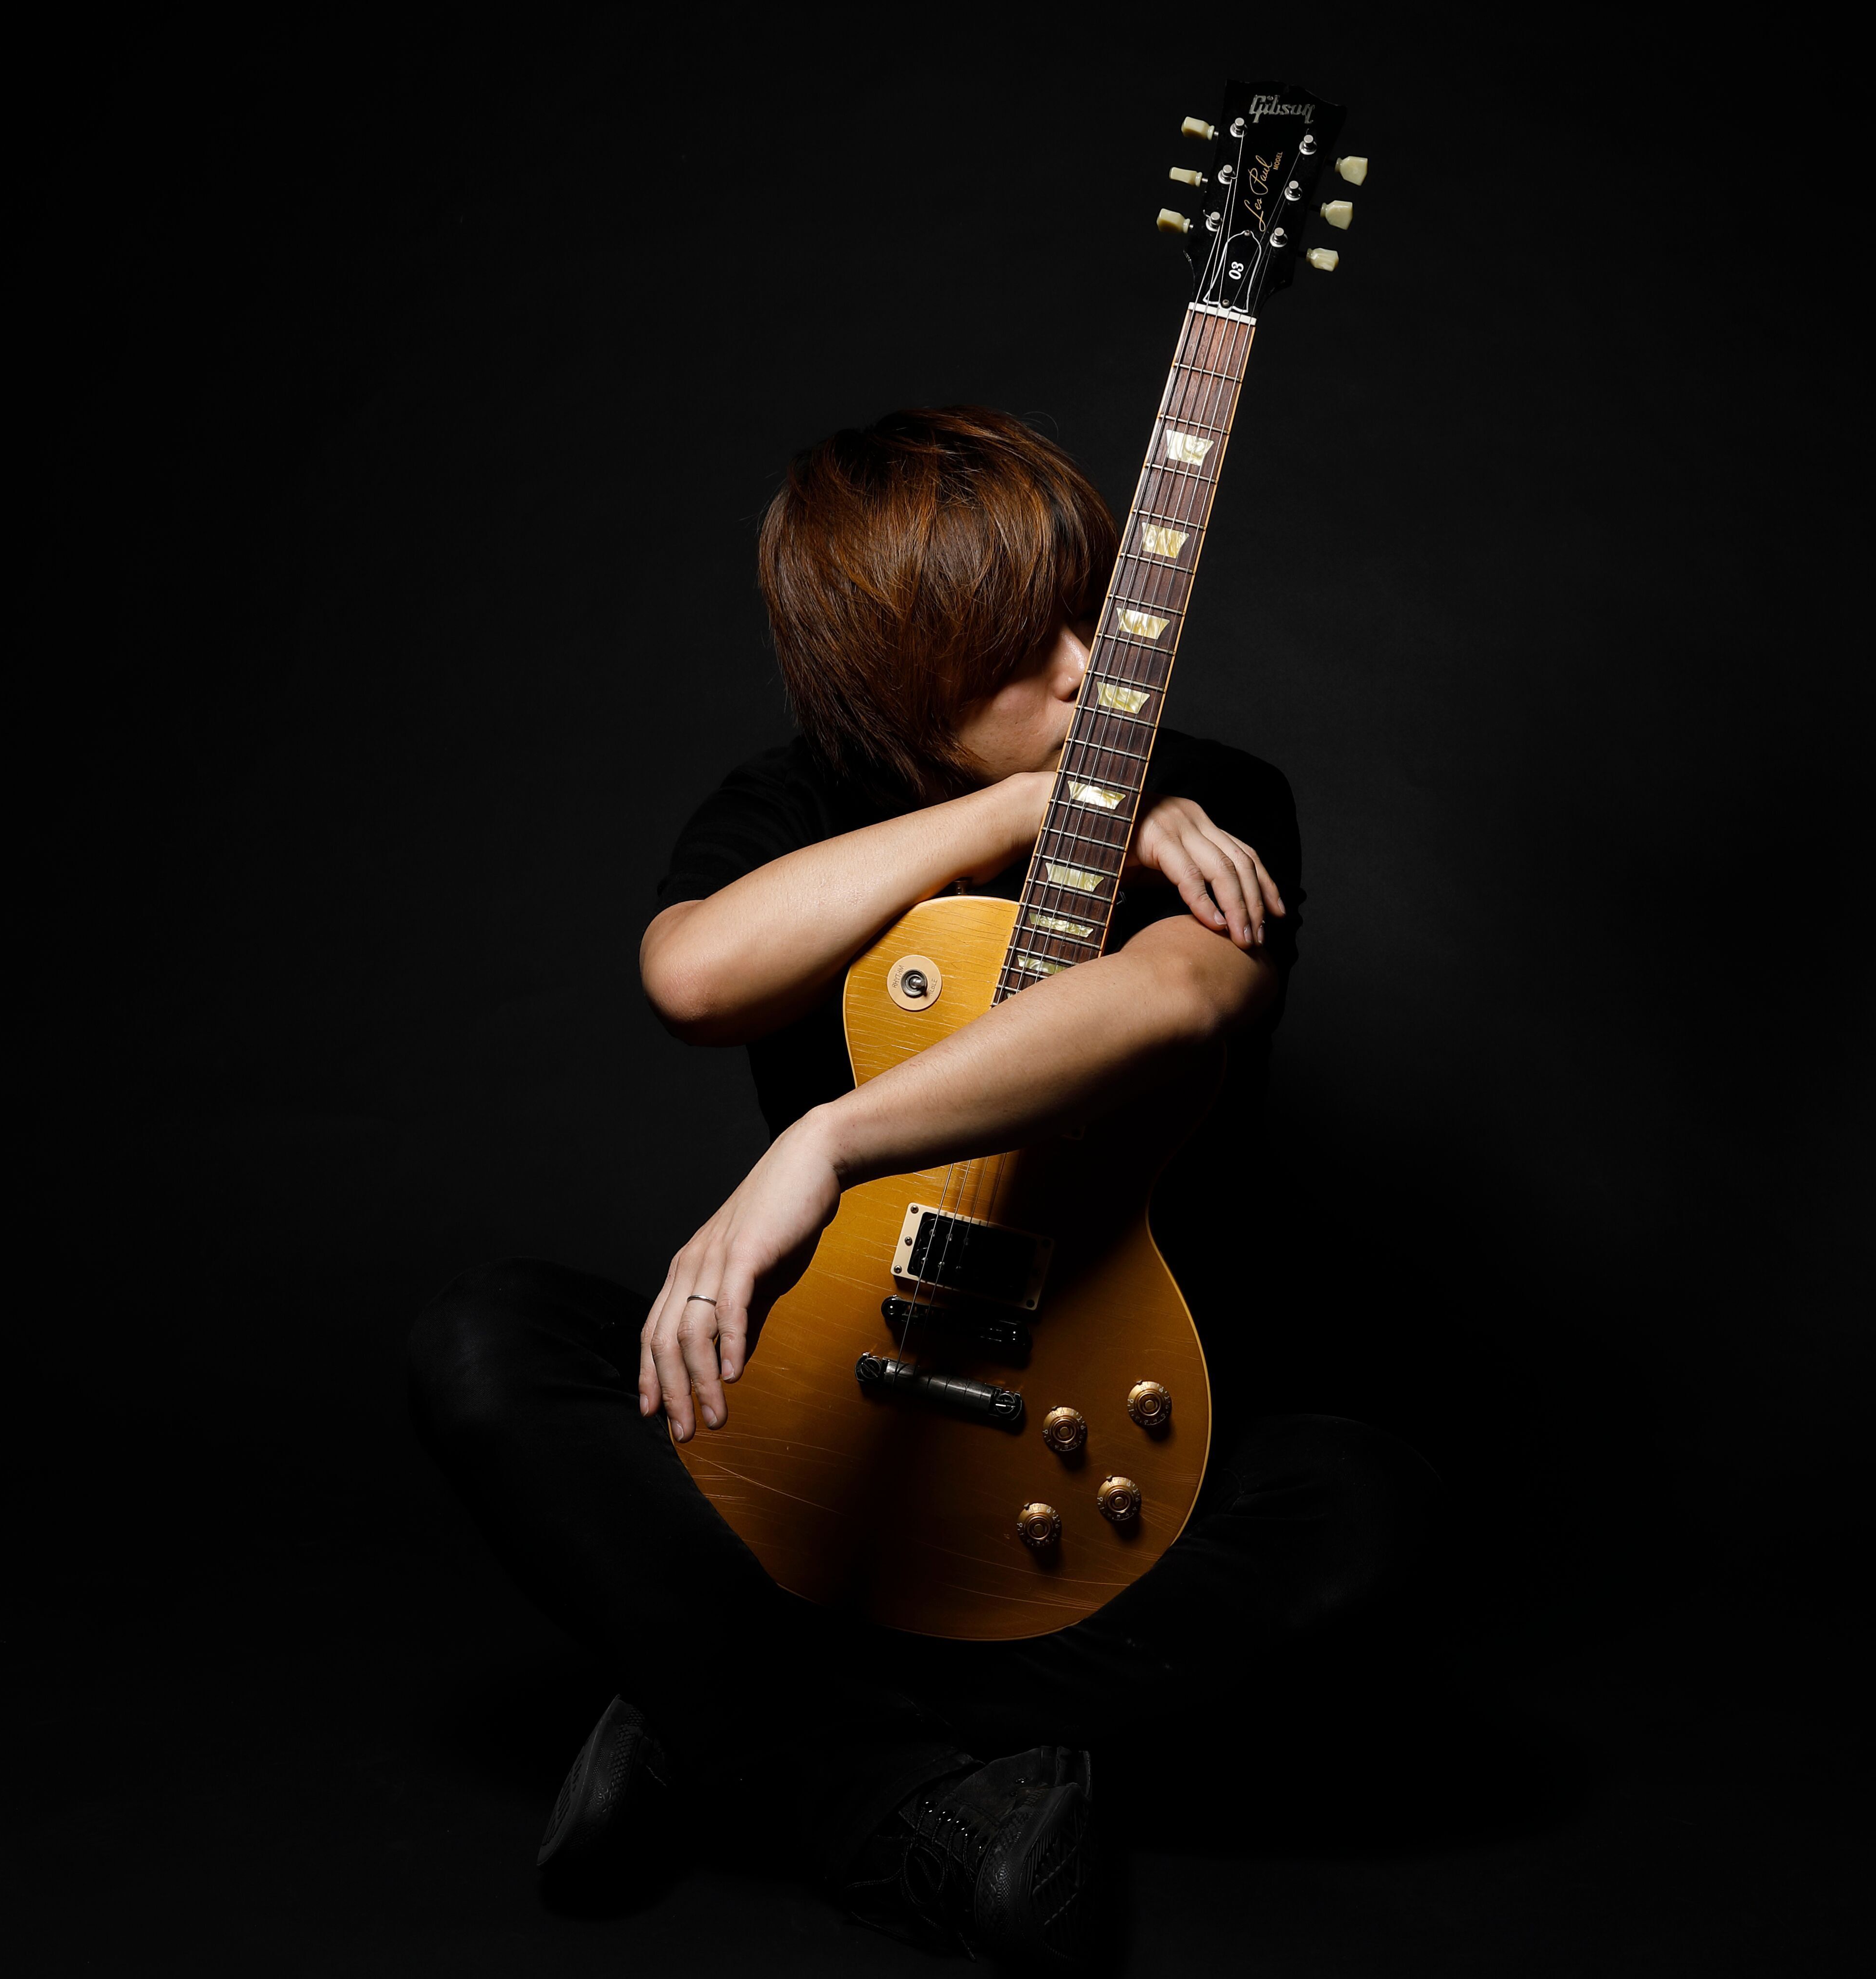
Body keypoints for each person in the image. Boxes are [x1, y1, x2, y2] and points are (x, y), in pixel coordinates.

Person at [409, 408, 1440, 1970]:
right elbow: (692, 976)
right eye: (1030, 647)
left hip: (1098, 1417)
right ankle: (888, 1781)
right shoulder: (792, 806)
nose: (1093, 671)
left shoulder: (1215, 796)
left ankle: (716, 1711)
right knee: (482, 1341)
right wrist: (1023, 811)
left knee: (1366, 1505)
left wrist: (824, 1139)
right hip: (832, 1400)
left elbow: (1176, 1000)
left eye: (1096, 615)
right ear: (893, 667)